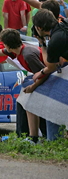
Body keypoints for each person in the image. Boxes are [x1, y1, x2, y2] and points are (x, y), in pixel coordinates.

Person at [0, 25, 48, 144]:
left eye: (4, 44)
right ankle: (26, 136)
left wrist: (32, 87)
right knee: (22, 102)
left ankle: (33, 137)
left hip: (48, 81)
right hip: (37, 79)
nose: (3, 46)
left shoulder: (28, 55)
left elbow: (45, 74)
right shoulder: (16, 51)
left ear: (8, 45)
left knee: (28, 102)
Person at [31, 9, 68, 141]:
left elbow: (51, 66)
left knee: (52, 105)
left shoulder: (54, 41)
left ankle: (53, 141)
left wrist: (42, 44)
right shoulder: (64, 23)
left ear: (39, 28)